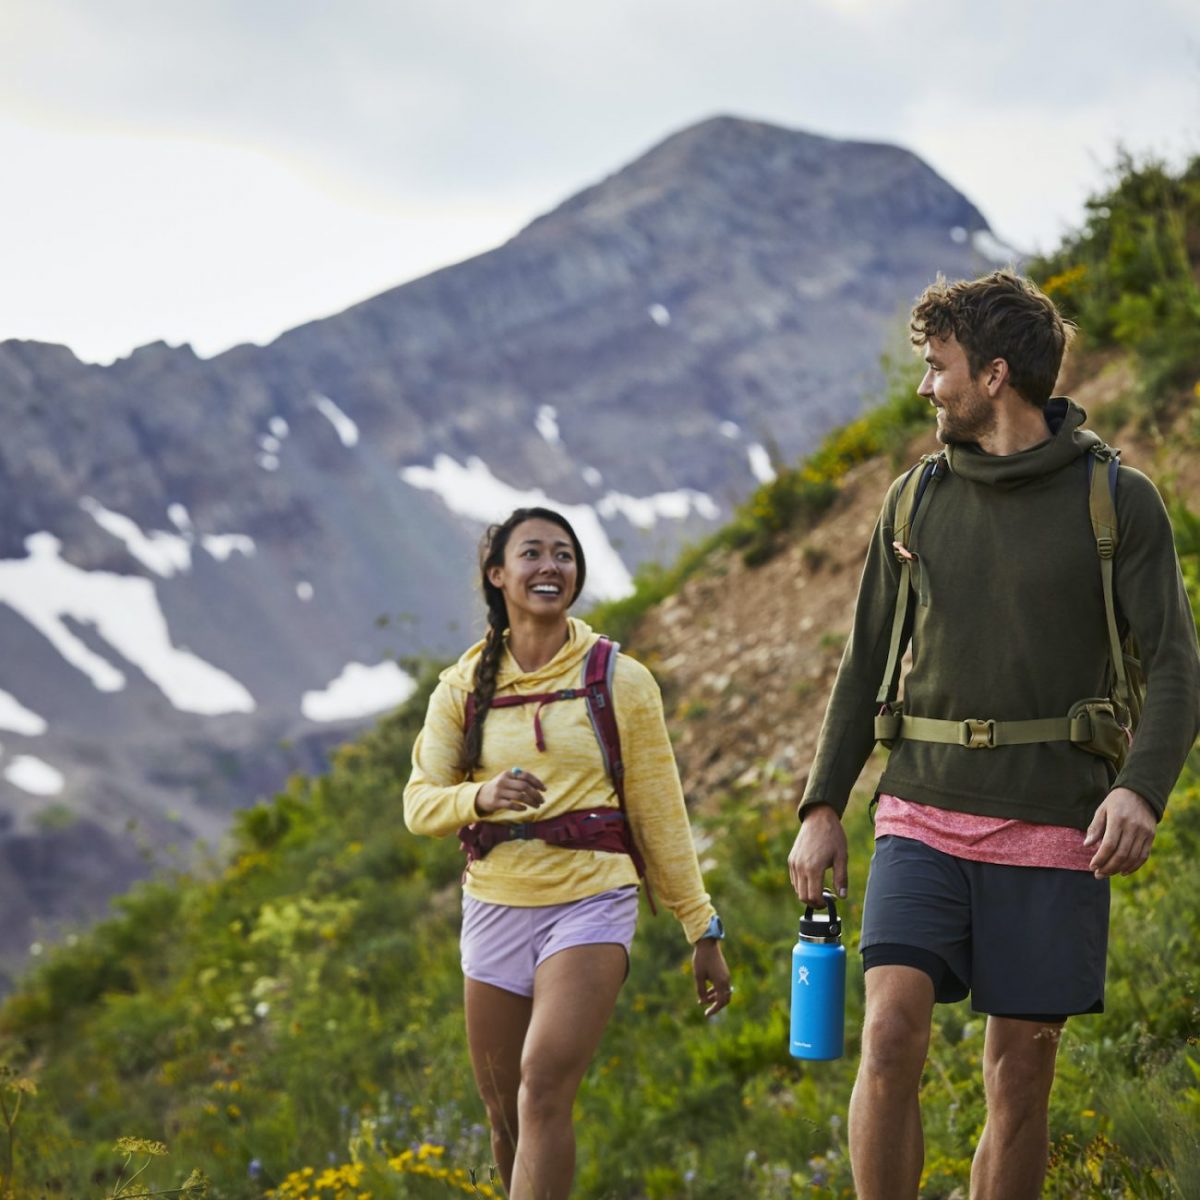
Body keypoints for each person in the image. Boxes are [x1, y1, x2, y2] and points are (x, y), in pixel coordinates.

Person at [786, 270, 1200, 1200]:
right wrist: (821, 807)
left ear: (996, 375)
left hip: (1056, 818)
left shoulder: (1117, 499)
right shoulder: (913, 499)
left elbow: (1178, 667)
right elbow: (863, 665)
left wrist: (1139, 790)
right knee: (889, 1033)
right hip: (921, 807)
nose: (926, 387)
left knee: (1020, 1075)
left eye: (939, 367)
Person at [404, 505, 731, 1200]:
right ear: (497, 574)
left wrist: (700, 925)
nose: (550, 566)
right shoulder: (461, 688)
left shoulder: (620, 679)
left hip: (592, 900)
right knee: (503, 1113)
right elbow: (419, 804)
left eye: (564, 554)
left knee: (543, 1085)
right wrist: (480, 797)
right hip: (494, 903)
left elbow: (659, 812)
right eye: (532, 553)